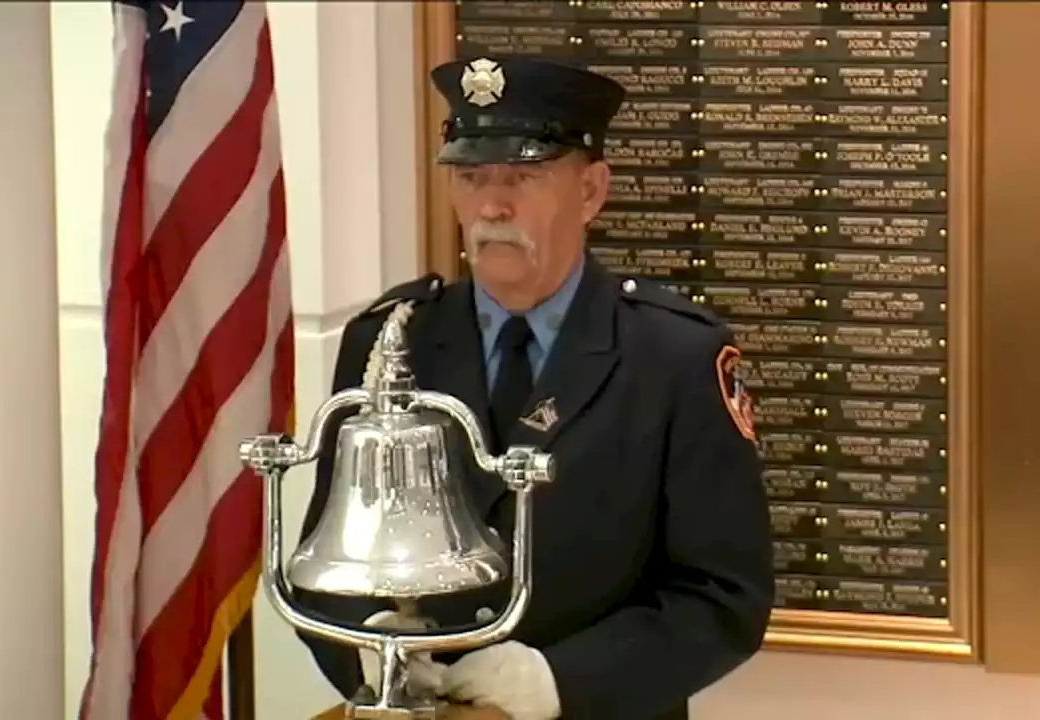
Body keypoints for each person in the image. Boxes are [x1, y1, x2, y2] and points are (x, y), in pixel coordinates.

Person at [291, 55, 775, 720]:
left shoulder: (675, 358)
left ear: (591, 191)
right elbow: (328, 555)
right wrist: (368, 655)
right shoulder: (388, 343)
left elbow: (724, 599)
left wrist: (557, 682)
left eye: (523, 175)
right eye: (470, 176)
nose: (492, 204)